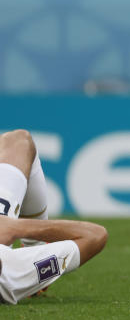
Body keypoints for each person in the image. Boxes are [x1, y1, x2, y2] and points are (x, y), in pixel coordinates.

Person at [0, 130, 108, 305]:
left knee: (19, 140)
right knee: (20, 140)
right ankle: (35, 246)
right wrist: (14, 228)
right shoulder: (13, 273)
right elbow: (95, 235)